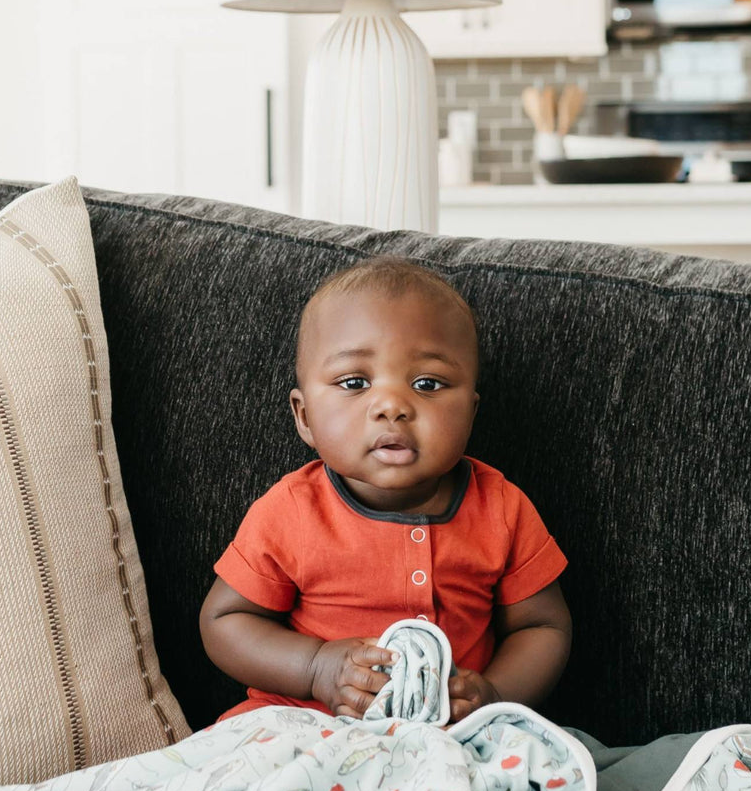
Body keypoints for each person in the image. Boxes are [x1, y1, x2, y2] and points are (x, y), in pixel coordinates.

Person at [199, 255, 572, 724]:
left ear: (471, 414)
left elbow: (544, 626)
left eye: (427, 383)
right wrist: (315, 668)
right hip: (306, 723)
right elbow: (223, 622)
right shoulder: (291, 511)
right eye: (355, 382)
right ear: (305, 416)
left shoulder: (501, 508)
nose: (392, 406)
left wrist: (495, 695)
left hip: (451, 735)